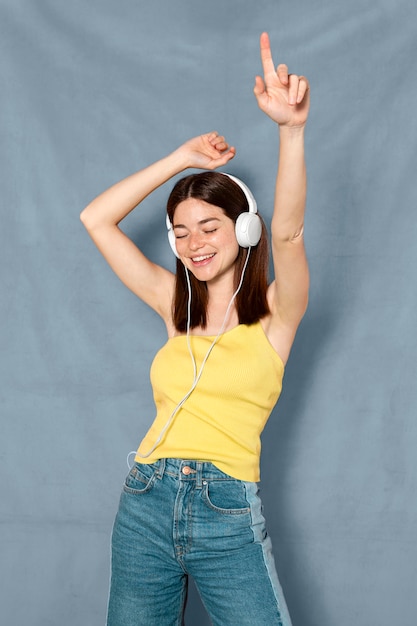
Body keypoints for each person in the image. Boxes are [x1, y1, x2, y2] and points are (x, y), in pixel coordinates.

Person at [80, 32, 309, 626]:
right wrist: (181, 159)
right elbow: (96, 219)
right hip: (144, 500)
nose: (192, 244)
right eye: (180, 232)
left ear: (245, 229)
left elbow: (288, 234)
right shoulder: (170, 303)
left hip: (225, 507)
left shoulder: (279, 312)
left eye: (209, 226)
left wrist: (291, 131)